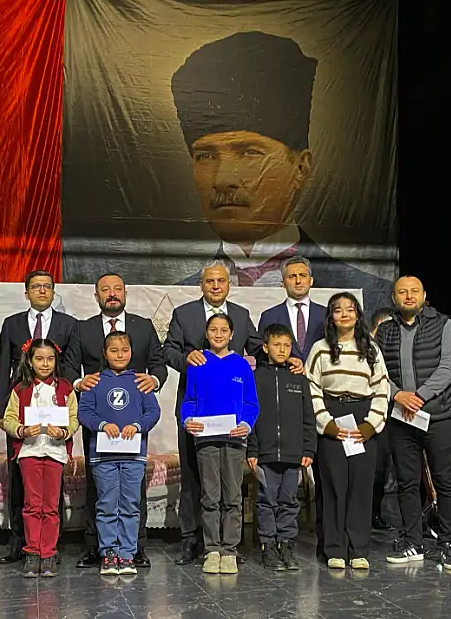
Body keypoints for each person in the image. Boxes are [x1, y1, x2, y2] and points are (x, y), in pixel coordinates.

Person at [170, 31, 392, 311]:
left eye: (250, 153)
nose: (223, 179)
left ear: (301, 167)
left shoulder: (369, 296)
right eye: (205, 155)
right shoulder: (175, 301)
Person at [162, 262, 264, 565]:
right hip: (197, 411)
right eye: (210, 281)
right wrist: (186, 357)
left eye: (221, 280)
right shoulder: (184, 314)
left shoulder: (242, 316)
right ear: (201, 284)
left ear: (229, 284)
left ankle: (228, 546)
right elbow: (168, 351)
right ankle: (192, 540)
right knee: (195, 478)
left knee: (230, 487)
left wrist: (286, 360)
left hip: (232, 418)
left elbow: (259, 348)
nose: (216, 285)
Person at [74, 273, 167, 569]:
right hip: (99, 441)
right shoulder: (83, 328)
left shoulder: (143, 326)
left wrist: (152, 380)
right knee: (99, 494)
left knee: (131, 498)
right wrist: (79, 383)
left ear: (125, 292)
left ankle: (132, 550)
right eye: (105, 289)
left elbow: (158, 365)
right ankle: (100, 550)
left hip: (132, 443)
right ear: (96, 295)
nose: (112, 293)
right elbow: (68, 366)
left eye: (117, 289)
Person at [374, 276, 451, 571]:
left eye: (414, 291)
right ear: (393, 298)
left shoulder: (444, 325)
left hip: (439, 416)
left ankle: (450, 543)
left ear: (424, 295)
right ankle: (413, 541)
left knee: (445, 481)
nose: (409, 296)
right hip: (401, 418)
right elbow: (375, 371)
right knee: (406, 482)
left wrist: (420, 396)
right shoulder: (385, 331)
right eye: (403, 292)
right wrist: (398, 395)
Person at [0, 270, 81, 564]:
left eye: (47, 286)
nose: (42, 291)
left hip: (55, 419)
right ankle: (20, 545)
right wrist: (1, 412)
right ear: (27, 292)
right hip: (22, 419)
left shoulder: (69, 324)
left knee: (51, 492)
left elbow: (70, 367)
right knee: (21, 484)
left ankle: (49, 548)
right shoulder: (12, 324)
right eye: (36, 287)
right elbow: (4, 366)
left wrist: (64, 412)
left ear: (53, 291)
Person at [306, 293, 390, 570]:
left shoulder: (371, 349)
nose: (344, 314)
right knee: (333, 487)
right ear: (330, 316)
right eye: (338, 310)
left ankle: (358, 550)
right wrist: (326, 424)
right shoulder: (320, 349)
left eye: (350, 310)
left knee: (361, 488)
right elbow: (312, 389)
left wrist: (370, 425)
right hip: (332, 418)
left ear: (358, 315)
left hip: (363, 418)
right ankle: (334, 549)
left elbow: (382, 389)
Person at [181, 313, 260, 575]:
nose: (218, 334)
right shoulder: (197, 363)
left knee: (233, 497)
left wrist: (246, 424)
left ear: (232, 334)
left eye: (223, 329)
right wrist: (187, 419)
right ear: (206, 333)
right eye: (213, 329)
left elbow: (251, 403)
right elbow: (189, 400)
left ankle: (230, 550)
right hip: (206, 441)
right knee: (210, 496)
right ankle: (212, 549)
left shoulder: (241, 365)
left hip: (235, 441)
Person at [0, 338, 79, 578]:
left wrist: (64, 432)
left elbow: (73, 418)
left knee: (51, 505)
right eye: (39, 359)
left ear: (56, 361)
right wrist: (22, 430)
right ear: (30, 362)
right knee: (33, 505)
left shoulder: (65, 388)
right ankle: (32, 552)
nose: (45, 364)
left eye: (50, 359)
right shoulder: (21, 389)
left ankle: (48, 553)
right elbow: (8, 419)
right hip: (30, 452)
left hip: (54, 452)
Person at [247, 323, 316, 571]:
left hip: (293, 453)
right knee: (267, 500)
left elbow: (308, 416)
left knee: (289, 501)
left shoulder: (298, 378)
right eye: (276, 344)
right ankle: (268, 546)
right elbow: (250, 417)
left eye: (287, 345)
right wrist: (252, 450)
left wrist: (308, 449)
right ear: (265, 347)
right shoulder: (256, 378)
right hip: (265, 454)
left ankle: (285, 544)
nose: (282, 349)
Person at [256, 256, 327, 361]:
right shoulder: (269, 316)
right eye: (292, 276)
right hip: (284, 375)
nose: (298, 281)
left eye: (302, 275)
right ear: (283, 283)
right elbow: (262, 356)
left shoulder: (326, 314)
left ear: (311, 281)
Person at [368, 307, 397, 532]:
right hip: (365, 414)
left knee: (382, 466)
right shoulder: (365, 348)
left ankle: (376, 512)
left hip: (392, 413)